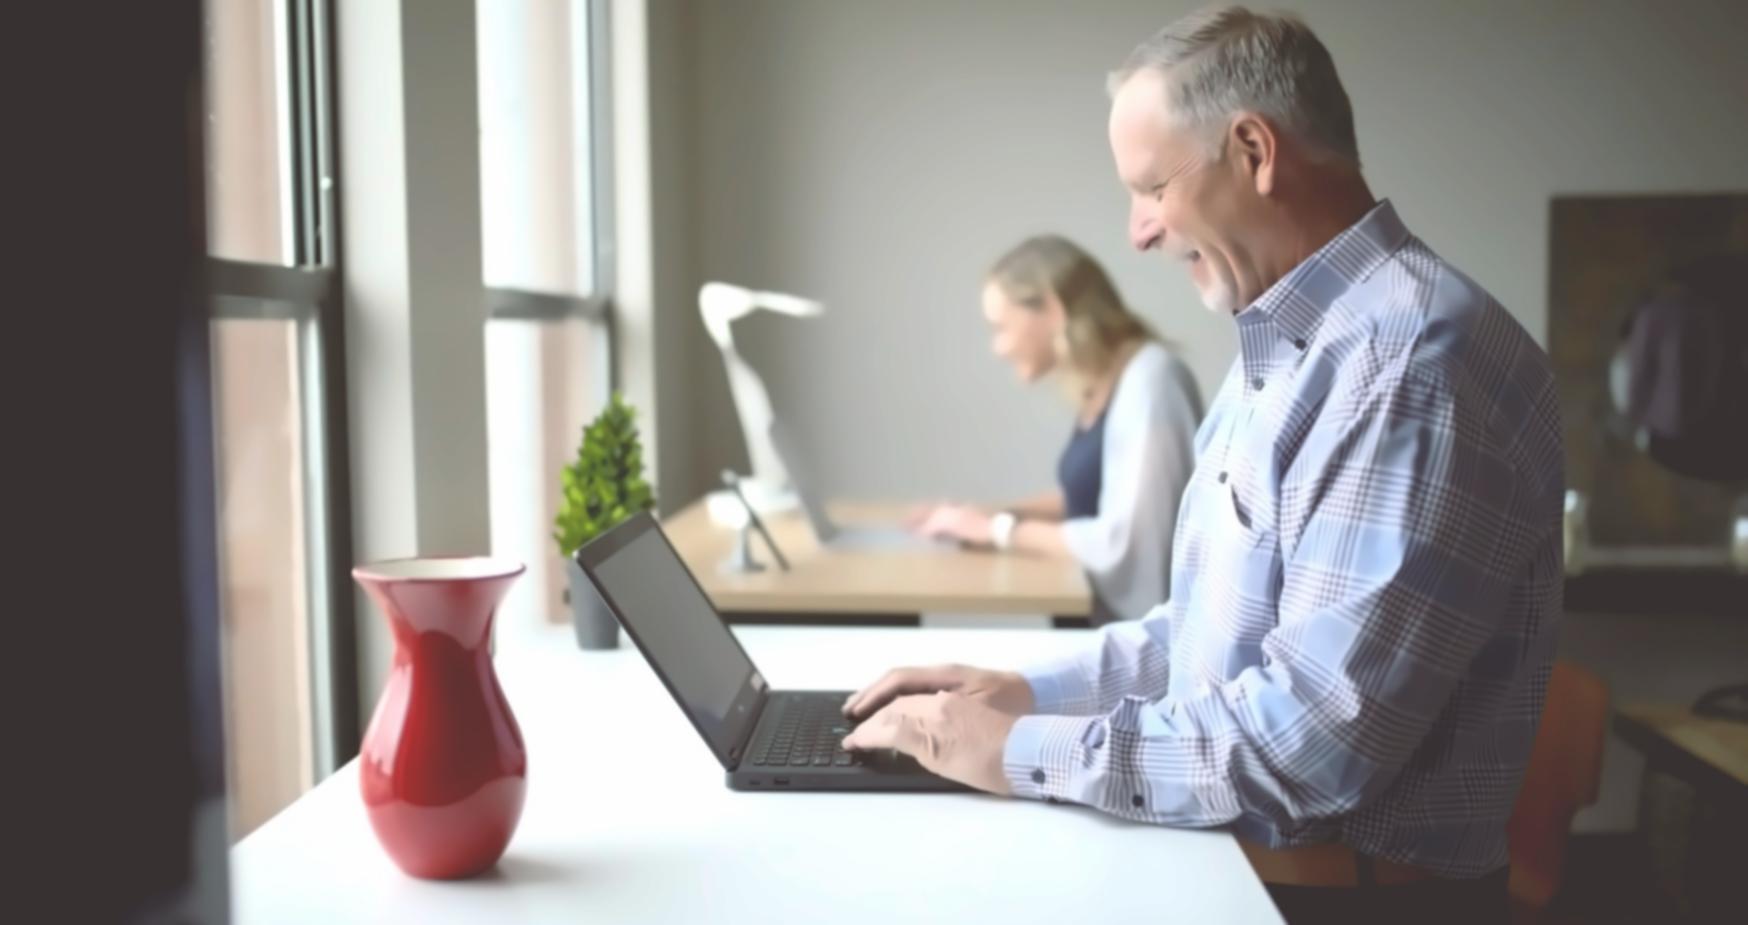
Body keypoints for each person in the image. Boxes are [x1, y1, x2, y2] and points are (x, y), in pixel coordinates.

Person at [842, 7, 1563, 924]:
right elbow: (1202, 637)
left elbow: (1309, 743)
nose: (1138, 233)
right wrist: (1017, 693)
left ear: (1255, 151)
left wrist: (1017, 749)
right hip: (1250, 873)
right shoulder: (1292, 345)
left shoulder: (1407, 368)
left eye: (1151, 188)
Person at [912, 234, 1202, 623]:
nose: (998, 347)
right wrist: (988, 516)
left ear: (1051, 308)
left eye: (1000, 327)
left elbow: (1128, 540)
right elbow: (1090, 498)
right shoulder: (1109, 381)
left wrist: (997, 530)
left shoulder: (1152, 382)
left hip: (1132, 640)